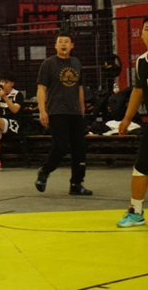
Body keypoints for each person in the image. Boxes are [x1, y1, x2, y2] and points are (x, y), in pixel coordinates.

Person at [34, 32, 92, 196]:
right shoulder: (48, 64)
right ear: (55, 45)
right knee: (60, 145)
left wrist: (82, 109)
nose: (63, 44)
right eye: (60, 42)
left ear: (72, 45)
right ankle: (45, 171)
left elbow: (80, 87)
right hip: (56, 111)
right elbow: (41, 88)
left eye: (66, 42)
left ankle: (76, 183)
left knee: (79, 148)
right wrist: (42, 110)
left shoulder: (76, 63)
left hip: (75, 112)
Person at [117, 15, 148, 228]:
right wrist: (126, 119)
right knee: (141, 167)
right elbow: (138, 91)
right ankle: (136, 212)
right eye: (146, 29)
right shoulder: (141, 62)